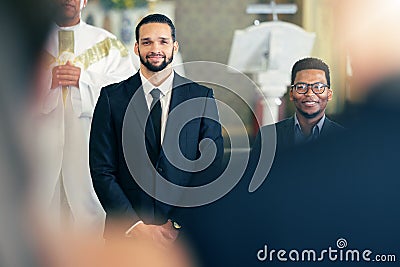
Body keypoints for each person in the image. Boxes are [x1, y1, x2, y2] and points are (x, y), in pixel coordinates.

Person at [89, 14, 223, 244]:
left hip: (184, 237)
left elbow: (210, 167)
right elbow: (102, 170)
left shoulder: (201, 97)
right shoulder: (111, 98)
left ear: (174, 46)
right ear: (136, 47)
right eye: (147, 42)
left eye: (163, 41)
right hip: (125, 235)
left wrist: (178, 223)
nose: (155, 48)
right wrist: (135, 226)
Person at [34, 0, 135, 236]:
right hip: (39, 147)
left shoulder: (107, 43)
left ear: (85, 1)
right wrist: (48, 80)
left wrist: (85, 79)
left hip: (89, 147)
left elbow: (127, 93)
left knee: (88, 218)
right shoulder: (29, 40)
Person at [254, 57, 344, 158]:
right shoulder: (268, 136)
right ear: (291, 94)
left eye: (318, 87)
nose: (310, 93)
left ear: (329, 94)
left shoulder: (344, 138)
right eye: (301, 87)